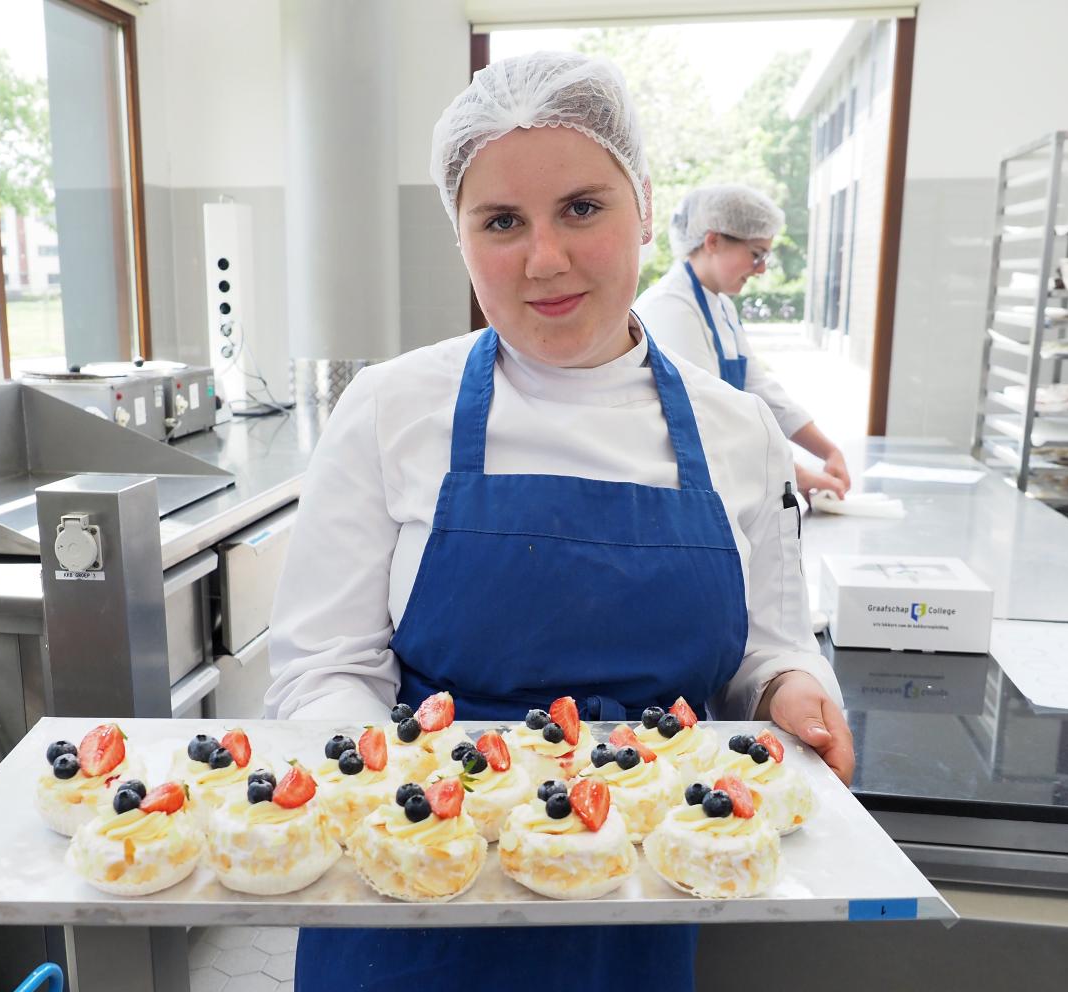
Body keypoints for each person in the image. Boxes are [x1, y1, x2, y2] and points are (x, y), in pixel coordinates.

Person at [266, 51, 853, 991]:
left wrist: (790, 689)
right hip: (413, 905)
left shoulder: (736, 430)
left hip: (635, 904)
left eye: (582, 207)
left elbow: (766, 646)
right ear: (459, 237)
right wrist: (411, 798)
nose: (545, 259)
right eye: (501, 221)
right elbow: (324, 668)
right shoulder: (389, 410)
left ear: (647, 207)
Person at [634, 184, 851, 498]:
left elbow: (760, 390)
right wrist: (795, 476)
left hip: (719, 472)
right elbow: (707, 416)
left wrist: (829, 451)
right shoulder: (671, 309)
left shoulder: (720, 305)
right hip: (681, 485)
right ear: (713, 241)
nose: (762, 269)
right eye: (756, 254)